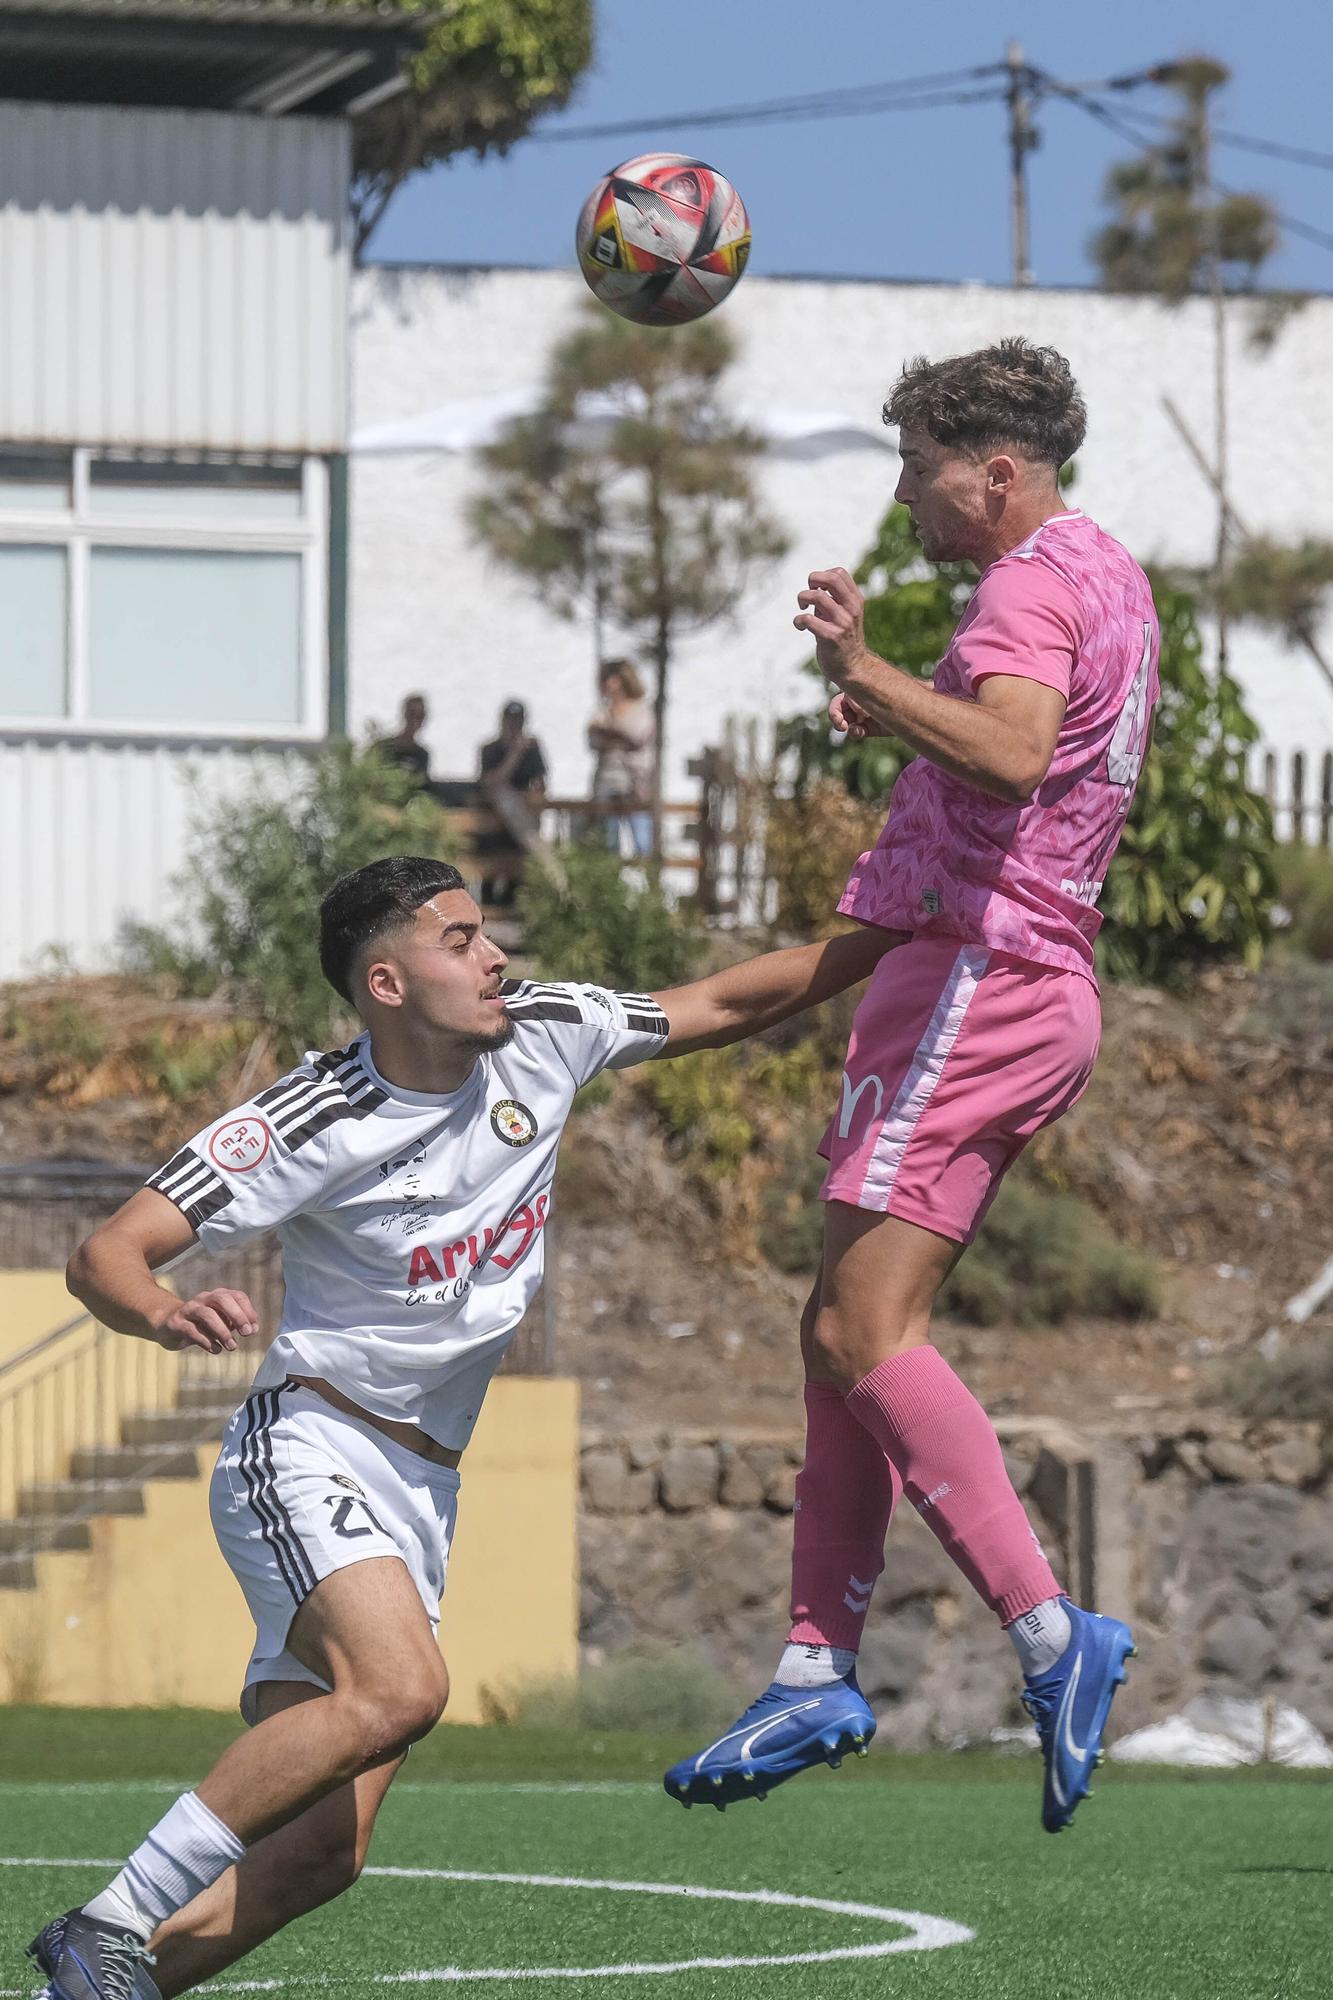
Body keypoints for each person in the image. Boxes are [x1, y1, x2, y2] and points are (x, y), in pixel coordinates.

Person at [28, 855, 899, 2000]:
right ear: (385, 982)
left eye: (486, 934)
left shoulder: (547, 1030)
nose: (495, 957)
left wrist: (895, 937)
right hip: (312, 1443)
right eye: (459, 940)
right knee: (400, 1689)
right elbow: (108, 1251)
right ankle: (109, 1918)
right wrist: (166, 1307)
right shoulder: (312, 1113)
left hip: (422, 1482)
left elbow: (727, 1001)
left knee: (324, 1851)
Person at [666, 338, 1159, 1833]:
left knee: (858, 1331)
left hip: (980, 983)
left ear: (992, 472)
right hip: (993, 979)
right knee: (835, 1338)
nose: (904, 493)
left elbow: (1013, 753)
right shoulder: (1105, 574)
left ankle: (1049, 1632)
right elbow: (1015, 750)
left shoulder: (1022, 585)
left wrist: (871, 676)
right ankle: (815, 1661)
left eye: (917, 466)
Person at [476, 700, 548, 907]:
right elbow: (492, 781)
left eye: (518, 721)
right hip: (495, 823)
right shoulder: (490, 749)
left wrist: (534, 801)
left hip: (522, 823)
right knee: (489, 881)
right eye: (511, 720)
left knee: (517, 881)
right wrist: (515, 753)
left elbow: (540, 782)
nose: (514, 725)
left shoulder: (533, 749)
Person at [587, 659, 655, 857]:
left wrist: (611, 733)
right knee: (608, 846)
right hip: (607, 786)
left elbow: (636, 738)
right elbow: (594, 739)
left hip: (635, 785)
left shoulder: (641, 710)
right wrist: (614, 736)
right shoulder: (602, 712)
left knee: (643, 846)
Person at [374, 694, 431, 789]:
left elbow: (421, 787)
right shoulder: (383, 748)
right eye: (411, 714)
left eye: (420, 715)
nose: (415, 720)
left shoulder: (422, 755)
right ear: (404, 714)